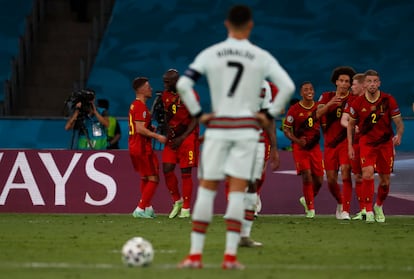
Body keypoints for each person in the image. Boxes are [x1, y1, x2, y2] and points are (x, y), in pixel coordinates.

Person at [175, 5, 295, 269]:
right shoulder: (260, 56)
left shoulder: (211, 53)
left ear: (226, 24)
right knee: (238, 193)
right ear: (250, 25)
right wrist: (269, 113)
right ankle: (229, 257)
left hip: (217, 129)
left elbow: (183, 84)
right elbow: (288, 86)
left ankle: (195, 256)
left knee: (206, 192)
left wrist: (198, 114)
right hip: (246, 131)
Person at [348, 69, 404, 223]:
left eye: (375, 81)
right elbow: (350, 125)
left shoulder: (388, 100)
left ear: (379, 83)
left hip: (385, 144)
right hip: (367, 143)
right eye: (369, 81)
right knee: (367, 173)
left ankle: (378, 205)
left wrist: (399, 134)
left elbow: (399, 122)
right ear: (364, 84)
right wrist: (350, 147)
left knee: (385, 181)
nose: (372, 84)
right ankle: (368, 209)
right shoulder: (357, 102)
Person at [239, 80, 276, 248]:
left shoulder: (264, 86)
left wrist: (274, 147)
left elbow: (268, 116)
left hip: (259, 140)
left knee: (253, 184)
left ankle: (244, 236)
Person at [316, 66, 357, 220]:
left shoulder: (354, 99)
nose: (344, 84)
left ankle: (346, 210)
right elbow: (317, 114)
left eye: (347, 81)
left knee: (346, 172)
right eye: (341, 80)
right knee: (331, 179)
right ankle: (340, 202)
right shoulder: (326, 96)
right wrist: (330, 104)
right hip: (329, 144)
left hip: (346, 142)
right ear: (336, 82)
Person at [160, 69, 200, 219]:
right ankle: (177, 201)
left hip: (188, 136)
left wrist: (182, 137)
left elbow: (196, 118)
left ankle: (186, 208)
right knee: (167, 168)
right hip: (173, 136)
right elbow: (167, 114)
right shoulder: (166, 95)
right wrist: (167, 129)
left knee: (185, 172)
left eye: (167, 82)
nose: (164, 85)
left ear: (176, 81)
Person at [283, 81, 324, 219]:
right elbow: (287, 129)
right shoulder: (294, 109)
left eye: (311, 89)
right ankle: (311, 209)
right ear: (301, 93)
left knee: (318, 180)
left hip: (315, 148)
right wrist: (297, 141)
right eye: (306, 89)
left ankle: (306, 199)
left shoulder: (319, 108)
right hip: (300, 148)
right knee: (306, 175)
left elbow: (326, 124)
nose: (309, 91)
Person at [128, 77, 167, 218]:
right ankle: (140, 209)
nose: (150, 89)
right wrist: (157, 136)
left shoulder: (135, 105)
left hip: (135, 145)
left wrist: (150, 128)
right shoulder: (140, 107)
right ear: (141, 90)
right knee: (154, 178)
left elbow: (140, 126)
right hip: (142, 146)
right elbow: (139, 129)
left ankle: (148, 208)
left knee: (146, 177)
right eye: (148, 86)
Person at [340, 73, 366, 219]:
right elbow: (344, 120)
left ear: (363, 86)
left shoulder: (374, 100)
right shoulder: (351, 100)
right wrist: (352, 126)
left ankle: (369, 209)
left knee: (367, 175)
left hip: (370, 143)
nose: (351, 87)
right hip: (354, 142)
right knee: (355, 175)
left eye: (354, 84)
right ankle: (347, 210)